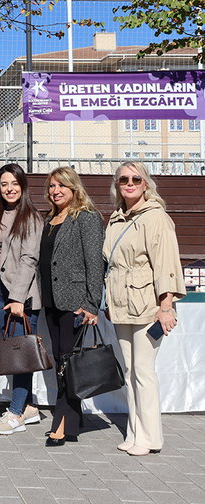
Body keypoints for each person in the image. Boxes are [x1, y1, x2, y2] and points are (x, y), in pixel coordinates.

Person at [104, 161, 185, 456]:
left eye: (136, 178)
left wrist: (166, 306)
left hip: (148, 304)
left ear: (146, 183)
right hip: (121, 304)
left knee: (143, 371)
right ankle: (135, 431)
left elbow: (166, 264)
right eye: (123, 179)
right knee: (129, 371)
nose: (129, 183)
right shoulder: (116, 218)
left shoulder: (156, 218)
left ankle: (151, 437)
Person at [39, 166, 104, 446]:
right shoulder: (50, 218)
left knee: (68, 362)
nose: (56, 191)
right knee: (62, 361)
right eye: (52, 186)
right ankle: (73, 421)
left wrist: (92, 303)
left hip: (76, 302)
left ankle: (61, 423)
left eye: (61, 186)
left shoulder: (86, 218)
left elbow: (95, 264)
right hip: (52, 302)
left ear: (74, 188)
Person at [0, 164, 43, 435]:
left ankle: (16, 412)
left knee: (20, 353)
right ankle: (29, 406)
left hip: (18, 292)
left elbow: (29, 259)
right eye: (4, 184)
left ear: (23, 186)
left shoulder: (30, 217)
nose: (9, 189)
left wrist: (18, 297)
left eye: (14, 183)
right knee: (13, 350)